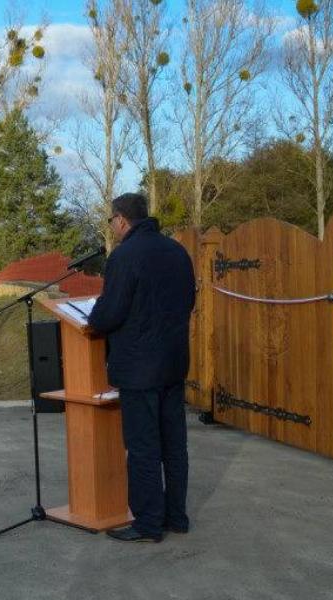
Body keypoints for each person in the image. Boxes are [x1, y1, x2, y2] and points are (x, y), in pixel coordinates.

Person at [87, 192, 196, 544]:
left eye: (111, 221)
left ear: (121, 220)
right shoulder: (178, 252)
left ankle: (149, 523)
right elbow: (188, 301)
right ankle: (176, 516)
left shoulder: (124, 257)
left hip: (138, 369)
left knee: (144, 447)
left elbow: (108, 314)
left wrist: (96, 316)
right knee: (174, 444)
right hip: (173, 363)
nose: (112, 227)